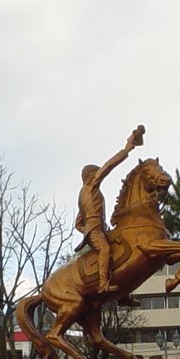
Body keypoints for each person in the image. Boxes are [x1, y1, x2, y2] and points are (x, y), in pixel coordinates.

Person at [75, 125, 144, 293]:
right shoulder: (90, 187)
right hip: (96, 230)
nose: (99, 174)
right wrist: (127, 147)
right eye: (96, 173)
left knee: (121, 249)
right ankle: (103, 285)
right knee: (105, 249)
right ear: (91, 176)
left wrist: (87, 228)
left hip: (98, 228)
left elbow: (78, 223)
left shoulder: (83, 195)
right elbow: (109, 165)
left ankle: (123, 294)